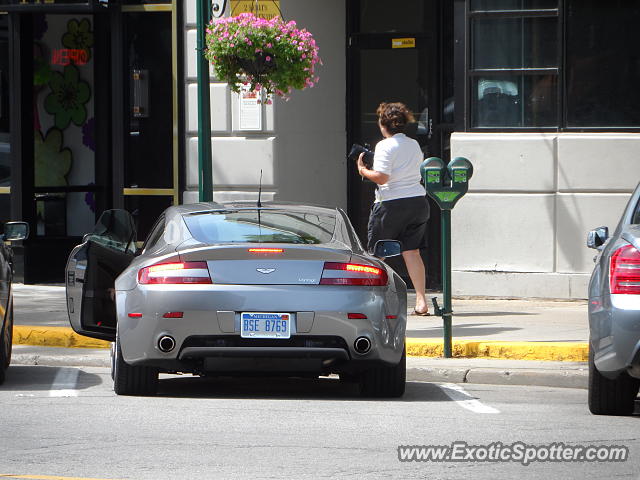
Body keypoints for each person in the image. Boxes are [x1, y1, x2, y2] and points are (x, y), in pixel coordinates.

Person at [356, 102, 431, 315]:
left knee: (377, 253)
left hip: (391, 203)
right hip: (417, 201)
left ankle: (372, 301)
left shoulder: (385, 146)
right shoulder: (414, 144)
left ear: (383, 124)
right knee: (412, 251)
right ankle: (421, 301)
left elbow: (382, 177)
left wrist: (363, 170)